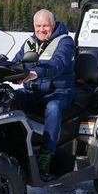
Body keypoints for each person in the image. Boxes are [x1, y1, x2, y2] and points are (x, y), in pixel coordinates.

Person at [12, 9, 76, 180]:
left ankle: (46, 155)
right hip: (34, 92)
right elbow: (15, 61)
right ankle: (14, 145)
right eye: (38, 25)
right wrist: (2, 70)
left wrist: (36, 73)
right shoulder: (29, 42)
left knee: (53, 109)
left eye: (45, 25)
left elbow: (58, 63)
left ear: (53, 25)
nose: (41, 29)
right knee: (9, 97)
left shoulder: (65, 42)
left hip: (59, 92)